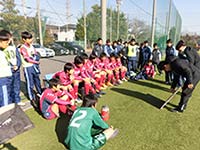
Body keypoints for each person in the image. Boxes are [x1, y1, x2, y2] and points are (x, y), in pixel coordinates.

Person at [20, 31, 42, 105]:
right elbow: (27, 59)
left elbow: (36, 54)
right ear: (24, 39)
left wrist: (36, 58)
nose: (30, 40)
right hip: (28, 68)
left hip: (34, 67)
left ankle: (40, 93)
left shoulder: (32, 46)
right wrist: (36, 61)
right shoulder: (23, 48)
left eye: (31, 38)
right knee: (30, 84)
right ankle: (32, 98)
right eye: (28, 39)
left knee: (37, 81)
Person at [4, 39, 24, 106]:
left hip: (16, 70)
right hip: (7, 71)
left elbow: (18, 58)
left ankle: (17, 100)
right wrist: (10, 67)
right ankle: (10, 102)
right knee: (8, 87)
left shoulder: (14, 48)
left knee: (16, 86)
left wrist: (17, 66)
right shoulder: (2, 50)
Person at [0, 30, 12, 107]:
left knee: (7, 97)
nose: (7, 44)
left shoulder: (3, 51)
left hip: (7, 78)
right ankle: (6, 117)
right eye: (6, 43)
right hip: (2, 79)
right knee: (5, 101)